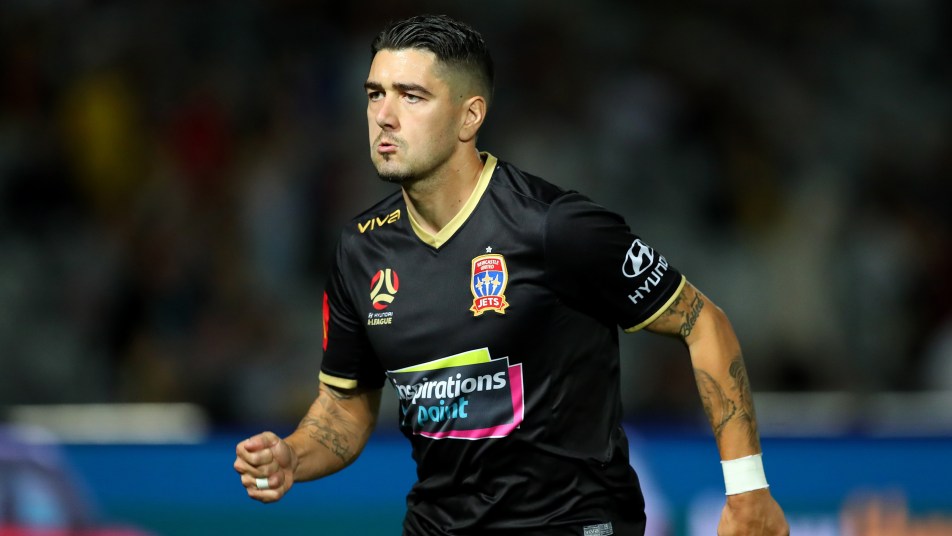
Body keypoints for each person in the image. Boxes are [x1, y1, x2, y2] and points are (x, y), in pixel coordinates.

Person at [233, 14, 789, 536]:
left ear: (469, 116)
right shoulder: (360, 250)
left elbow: (703, 322)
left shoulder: (556, 227)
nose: (384, 114)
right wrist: (293, 456)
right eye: (375, 93)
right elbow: (345, 409)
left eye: (412, 96)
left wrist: (747, 492)